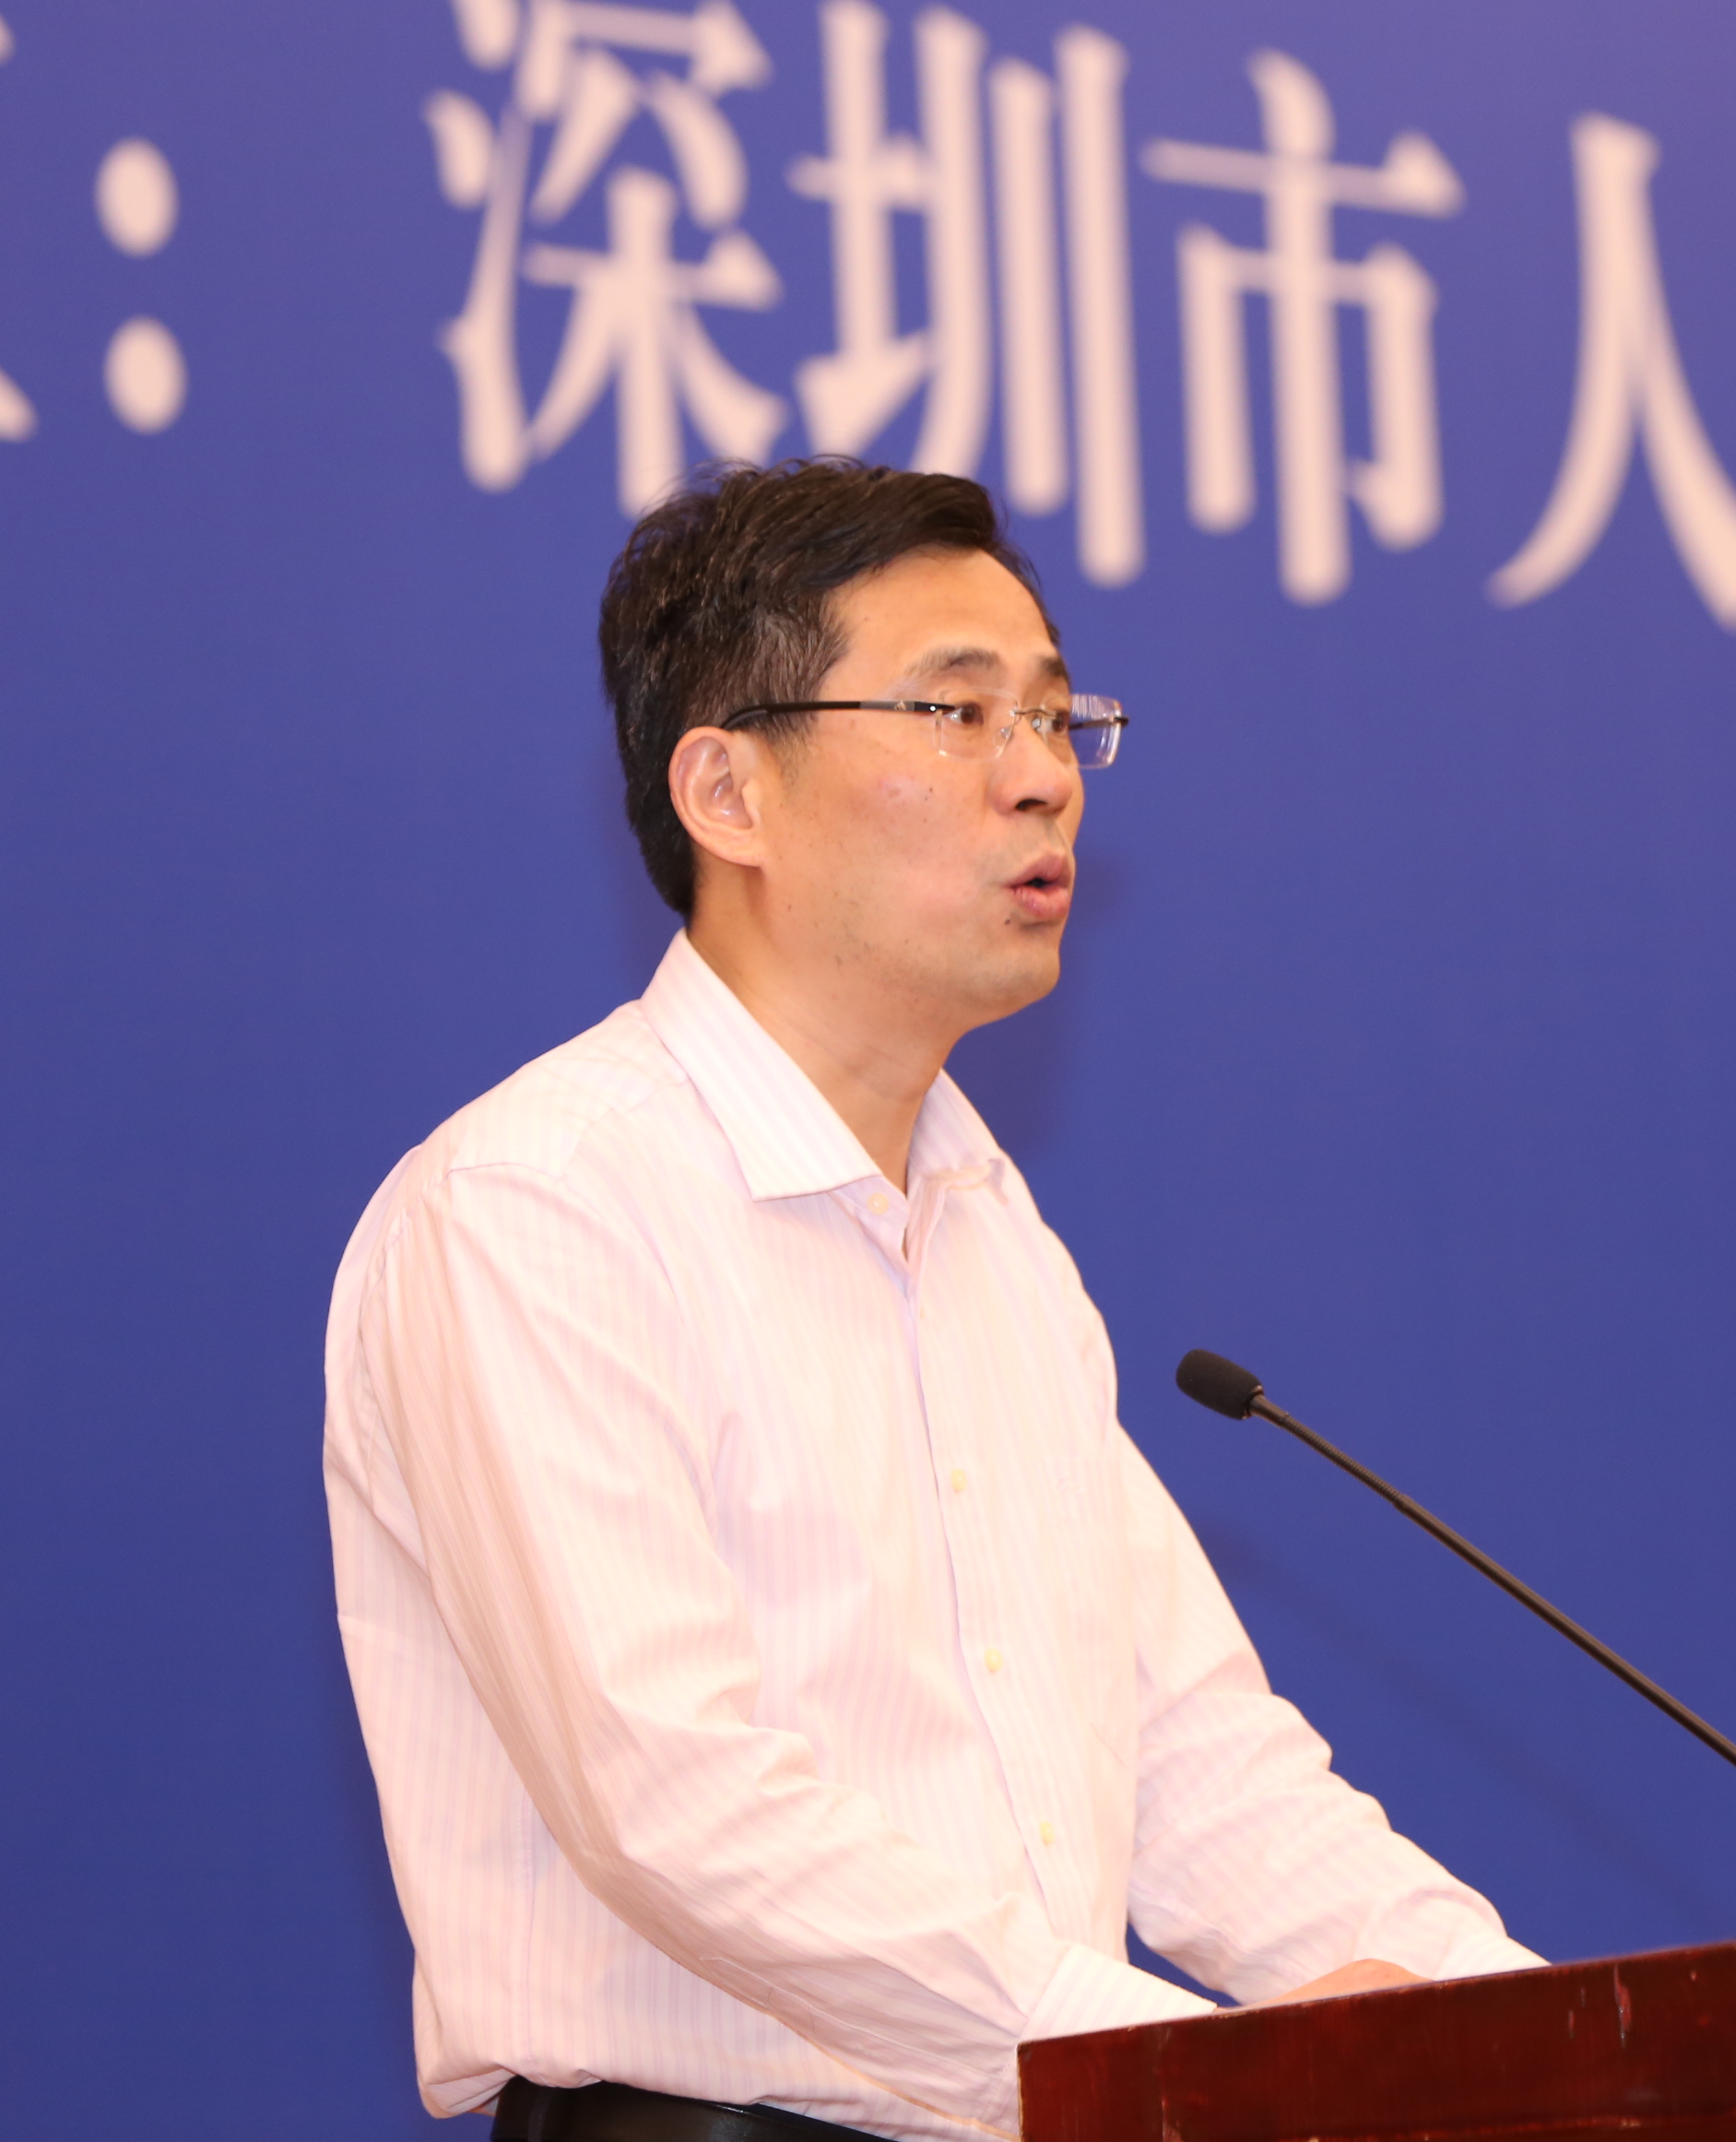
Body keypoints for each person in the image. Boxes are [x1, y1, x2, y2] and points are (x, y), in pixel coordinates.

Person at [324, 461, 1539, 2142]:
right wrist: (1173, 2073)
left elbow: (1199, 1767)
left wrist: (1535, 2044)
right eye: (958, 714)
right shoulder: (539, 1209)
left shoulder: (994, 1238)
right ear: (729, 790)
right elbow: (678, 1803)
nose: (1043, 778)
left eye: (1056, 716)